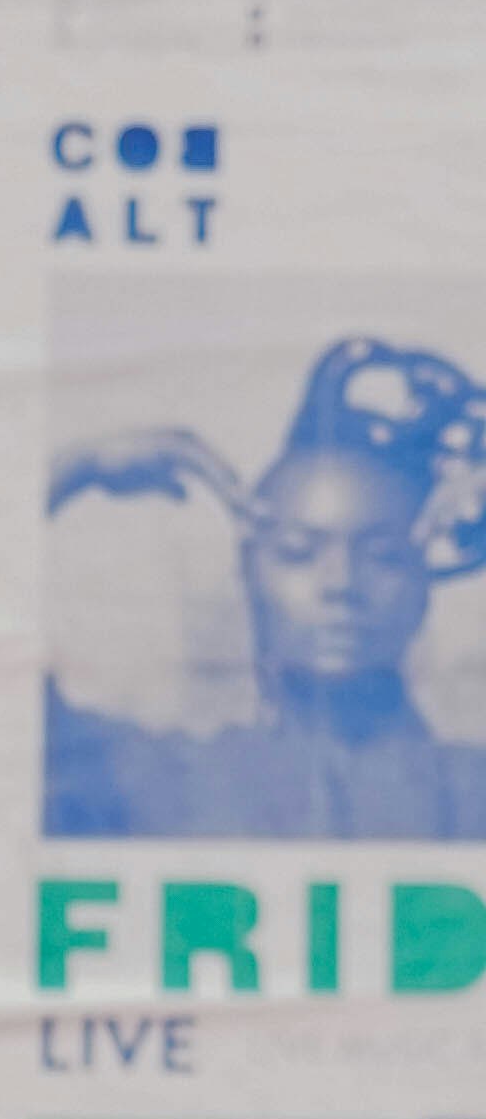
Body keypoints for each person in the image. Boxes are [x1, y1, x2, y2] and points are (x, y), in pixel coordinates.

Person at [45, 335, 486, 837]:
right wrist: (75, 469)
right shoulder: (161, 781)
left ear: (422, 584)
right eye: (298, 553)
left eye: (382, 555)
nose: (340, 584)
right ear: (248, 575)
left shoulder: (473, 790)